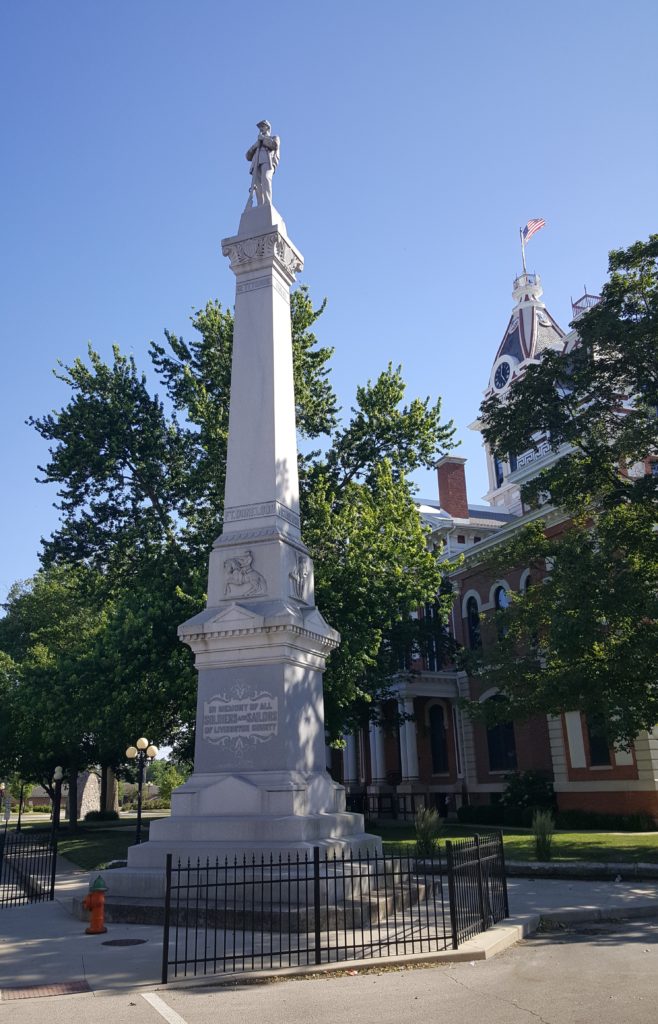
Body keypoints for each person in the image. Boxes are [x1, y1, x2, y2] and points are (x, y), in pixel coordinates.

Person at [245, 120, 280, 206]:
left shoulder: (274, 137)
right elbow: (247, 156)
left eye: (262, 126)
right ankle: (260, 204)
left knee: (266, 179)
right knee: (256, 185)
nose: (260, 129)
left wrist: (263, 139)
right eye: (260, 127)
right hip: (256, 164)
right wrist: (255, 146)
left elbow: (274, 145)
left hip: (267, 161)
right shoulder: (257, 143)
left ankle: (268, 202)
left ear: (268, 127)